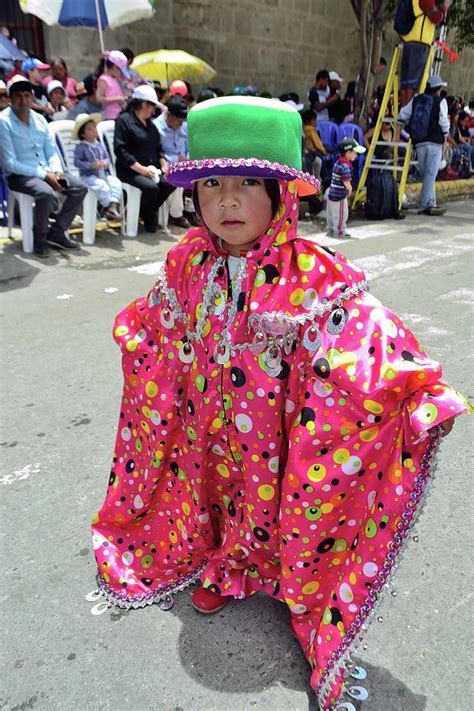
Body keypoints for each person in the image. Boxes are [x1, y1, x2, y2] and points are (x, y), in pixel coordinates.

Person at [90, 95, 469, 711]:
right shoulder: (188, 261)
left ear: (283, 193)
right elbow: (158, 321)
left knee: (275, 498)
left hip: (278, 427)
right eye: (211, 183)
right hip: (209, 422)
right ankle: (224, 563)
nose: (228, 201)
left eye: (248, 183)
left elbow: (364, 333)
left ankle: (282, 581)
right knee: (217, 490)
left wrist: (415, 393)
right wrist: (145, 340)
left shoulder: (313, 274)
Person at [0, 75, 86, 258]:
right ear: (10, 98)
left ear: (32, 98)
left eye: (27, 95)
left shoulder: (40, 119)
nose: (23, 100)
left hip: (47, 171)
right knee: (45, 192)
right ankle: (40, 238)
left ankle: (57, 231)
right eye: (18, 96)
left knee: (79, 188)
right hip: (19, 175)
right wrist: (45, 175)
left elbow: (51, 151)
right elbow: (9, 163)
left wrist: (56, 172)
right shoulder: (3, 121)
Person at [114, 84, 175, 233]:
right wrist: (140, 169)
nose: (153, 109)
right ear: (142, 104)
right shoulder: (124, 120)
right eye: (151, 105)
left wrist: (163, 163)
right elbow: (120, 150)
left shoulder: (150, 125)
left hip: (151, 169)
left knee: (170, 183)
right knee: (151, 188)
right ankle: (149, 218)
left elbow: (158, 148)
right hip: (129, 169)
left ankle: (144, 211)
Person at [397, 74, 449, 215]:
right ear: (438, 89)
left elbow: (402, 115)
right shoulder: (441, 102)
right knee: (431, 174)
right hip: (435, 142)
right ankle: (424, 205)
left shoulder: (416, 99)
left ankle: (431, 202)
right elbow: (443, 122)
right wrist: (445, 133)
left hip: (419, 142)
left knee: (427, 173)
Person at [154, 94, 198, 227]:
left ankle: (194, 210)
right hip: (165, 165)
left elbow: (190, 145)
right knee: (176, 176)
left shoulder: (183, 125)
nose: (181, 123)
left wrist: (189, 157)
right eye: (179, 120)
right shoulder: (156, 127)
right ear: (169, 116)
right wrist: (177, 160)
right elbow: (157, 152)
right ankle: (176, 214)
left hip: (186, 162)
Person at [398, 0, 452, 106]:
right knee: (413, 83)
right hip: (420, 43)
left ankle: (404, 111)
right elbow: (435, 17)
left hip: (409, 42)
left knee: (406, 83)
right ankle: (408, 111)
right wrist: (444, 7)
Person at [72, 113, 122, 220]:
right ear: (83, 134)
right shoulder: (81, 147)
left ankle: (113, 205)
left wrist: (105, 162)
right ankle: (106, 206)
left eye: (94, 127)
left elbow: (107, 158)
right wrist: (90, 165)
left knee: (115, 182)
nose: (94, 130)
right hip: (88, 176)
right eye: (89, 129)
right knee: (102, 186)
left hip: (102, 173)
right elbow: (76, 162)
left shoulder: (99, 144)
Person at [326, 136, 365, 237]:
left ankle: (330, 231)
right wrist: (350, 189)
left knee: (331, 215)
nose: (356, 155)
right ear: (348, 152)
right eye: (355, 152)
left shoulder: (337, 163)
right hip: (340, 196)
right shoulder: (346, 166)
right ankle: (339, 232)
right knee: (341, 215)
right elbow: (346, 181)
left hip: (332, 193)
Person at [96, 51, 130, 120]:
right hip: (110, 117)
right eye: (121, 71)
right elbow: (98, 98)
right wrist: (117, 99)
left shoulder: (115, 79)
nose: (121, 74)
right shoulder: (104, 79)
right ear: (115, 67)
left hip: (119, 115)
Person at [302, 108, 326, 179]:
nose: (315, 122)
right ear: (308, 121)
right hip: (314, 150)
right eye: (314, 121)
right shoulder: (311, 130)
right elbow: (318, 144)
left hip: (310, 150)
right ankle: (326, 177)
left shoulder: (304, 129)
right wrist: (324, 151)